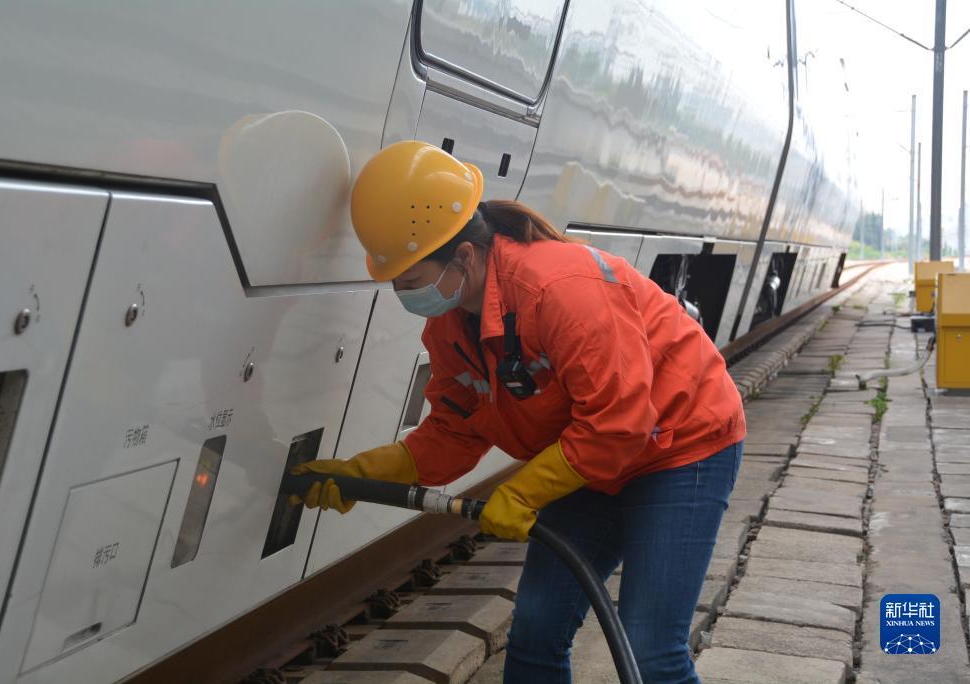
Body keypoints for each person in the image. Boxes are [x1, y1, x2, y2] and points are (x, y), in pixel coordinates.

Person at [291, 140, 745, 683]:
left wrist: (524, 492)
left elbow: (620, 422)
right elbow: (456, 430)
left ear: (462, 257)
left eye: (411, 282)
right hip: (591, 458)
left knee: (651, 648)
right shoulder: (451, 323)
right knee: (534, 630)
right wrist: (365, 474)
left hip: (682, 447)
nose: (405, 295)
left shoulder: (559, 290)